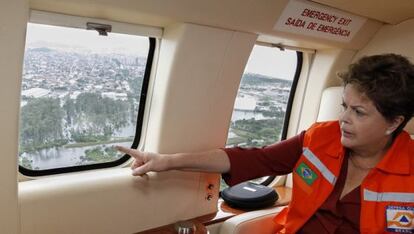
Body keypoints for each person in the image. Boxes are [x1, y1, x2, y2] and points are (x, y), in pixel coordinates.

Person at [116, 53, 414, 233]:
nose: (343, 119)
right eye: (344, 106)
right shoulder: (320, 138)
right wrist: (167, 161)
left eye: (358, 112)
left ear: (393, 122)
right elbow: (253, 159)